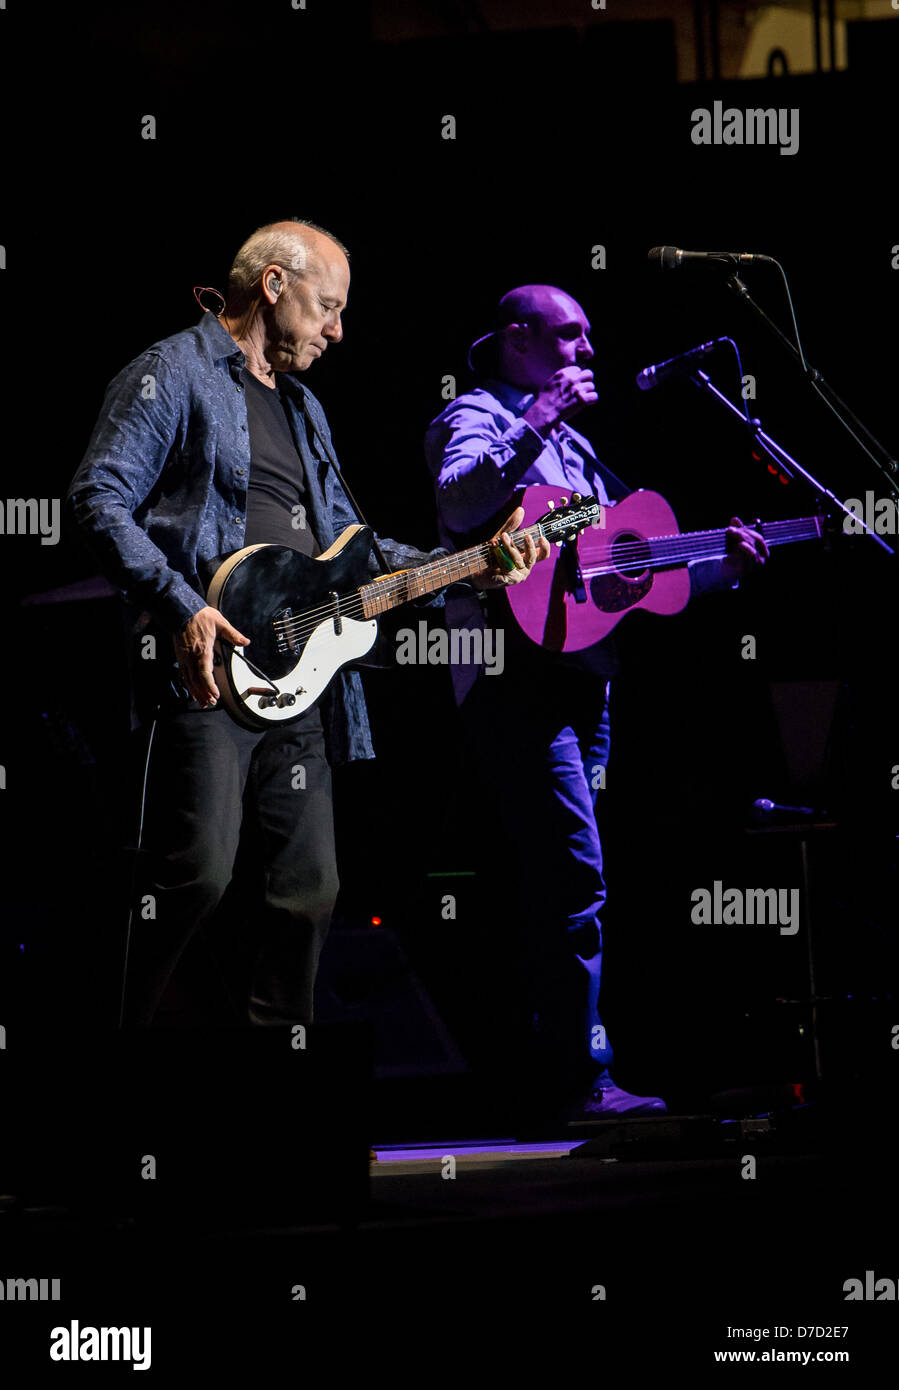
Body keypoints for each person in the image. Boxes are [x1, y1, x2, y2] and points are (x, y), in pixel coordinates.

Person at [67, 220, 545, 1031]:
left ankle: (272, 1105)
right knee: (196, 876)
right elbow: (97, 498)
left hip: (303, 676)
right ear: (274, 286)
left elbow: (353, 550)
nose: (337, 330)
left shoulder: (304, 407)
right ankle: (106, 1062)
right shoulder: (171, 372)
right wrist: (184, 606)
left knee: (307, 893)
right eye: (327, 307)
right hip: (207, 667)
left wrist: (472, 562)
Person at [424, 284, 769, 1123]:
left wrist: (722, 563)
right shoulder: (476, 413)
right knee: (572, 869)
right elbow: (459, 499)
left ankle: (561, 1071)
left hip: (581, 676)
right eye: (568, 338)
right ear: (518, 341)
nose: (585, 354)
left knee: (572, 875)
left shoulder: (573, 448)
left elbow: (628, 565)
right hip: (512, 672)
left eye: (586, 341)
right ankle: (578, 1079)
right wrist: (535, 417)